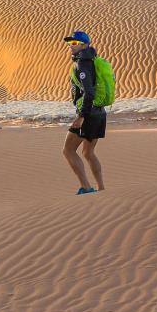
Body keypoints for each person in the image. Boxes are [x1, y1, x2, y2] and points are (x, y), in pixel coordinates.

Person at [62, 30, 106, 195]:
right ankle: (101, 188)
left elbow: (89, 92)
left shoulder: (82, 64)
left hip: (89, 114)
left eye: (74, 43)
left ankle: (86, 187)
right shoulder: (93, 60)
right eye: (69, 43)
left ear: (85, 45)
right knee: (88, 152)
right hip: (100, 113)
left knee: (68, 150)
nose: (70, 46)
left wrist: (81, 116)